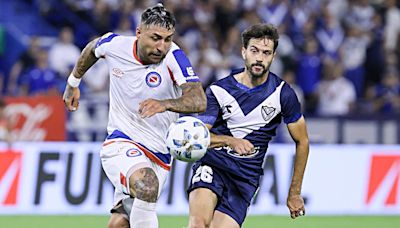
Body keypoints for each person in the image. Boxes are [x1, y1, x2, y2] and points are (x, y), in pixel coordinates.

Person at [62, 4, 206, 228]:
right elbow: (92, 49)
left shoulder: (174, 57)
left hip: (160, 155)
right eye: (155, 38)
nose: (162, 46)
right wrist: (73, 83)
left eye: (167, 39)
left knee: (119, 223)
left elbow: (199, 99)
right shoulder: (116, 45)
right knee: (147, 185)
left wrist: (164, 104)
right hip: (120, 142)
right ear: (138, 33)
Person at [187, 23, 310, 228]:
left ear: (273, 57)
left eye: (266, 52)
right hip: (212, 166)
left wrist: (295, 193)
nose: (260, 58)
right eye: (254, 51)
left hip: (245, 178)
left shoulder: (283, 94)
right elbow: (198, 138)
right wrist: (230, 141)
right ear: (244, 52)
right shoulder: (218, 90)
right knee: (199, 224)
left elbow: (302, 141)